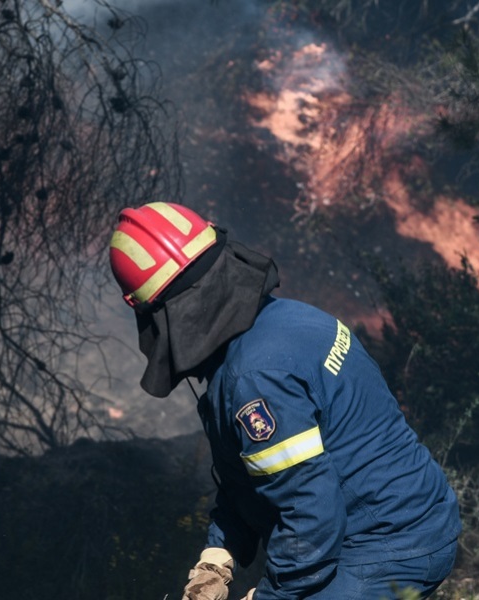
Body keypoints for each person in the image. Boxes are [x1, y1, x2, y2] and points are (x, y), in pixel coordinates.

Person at [108, 202, 461, 600]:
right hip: (413, 519)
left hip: (387, 547)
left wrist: (269, 598)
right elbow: (253, 478)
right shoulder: (286, 320)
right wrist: (217, 558)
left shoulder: (253, 379)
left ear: (162, 315)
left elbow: (311, 515)